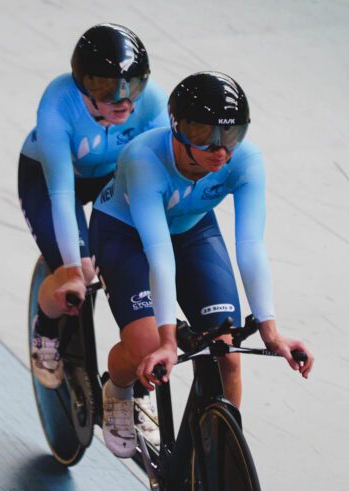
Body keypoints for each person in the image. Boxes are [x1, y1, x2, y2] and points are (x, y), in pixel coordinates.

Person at [89, 71, 314, 458]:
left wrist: (272, 333)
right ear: (177, 128)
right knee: (146, 346)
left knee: (225, 350)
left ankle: (216, 462)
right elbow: (159, 254)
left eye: (230, 136)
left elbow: (251, 247)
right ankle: (118, 390)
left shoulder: (246, 160)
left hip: (192, 230)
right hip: (125, 234)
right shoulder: (144, 159)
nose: (219, 150)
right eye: (203, 134)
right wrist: (167, 342)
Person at [19, 23, 167, 390]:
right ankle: (47, 326)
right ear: (82, 84)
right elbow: (61, 195)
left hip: (111, 178)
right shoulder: (57, 102)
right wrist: (71, 269)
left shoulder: (152, 102)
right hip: (50, 178)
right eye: (106, 88)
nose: (123, 100)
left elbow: (161, 176)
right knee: (81, 271)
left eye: (132, 86)